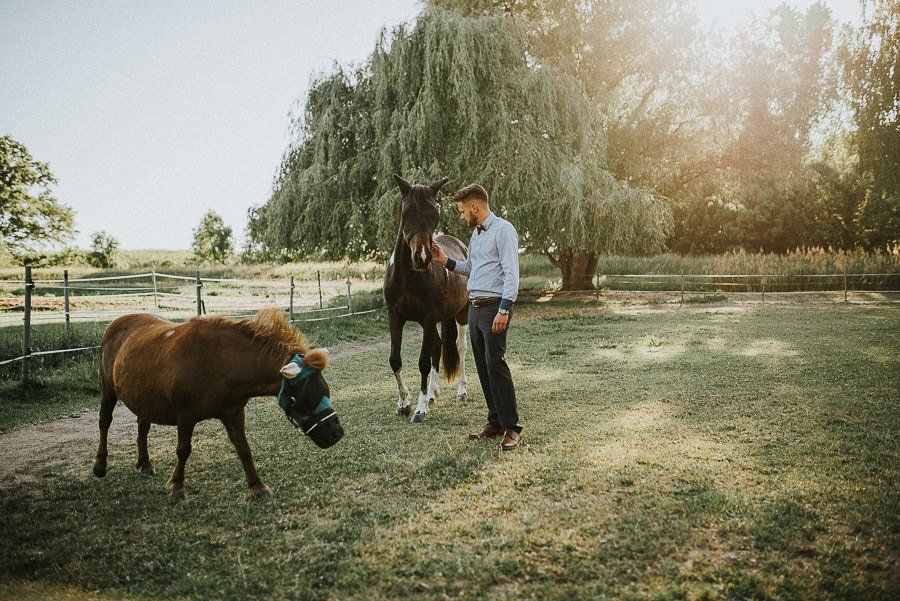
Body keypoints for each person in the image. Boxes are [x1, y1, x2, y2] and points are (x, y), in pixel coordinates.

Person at [431, 183, 523, 450]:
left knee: (496, 364)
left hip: (495, 307)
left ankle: (512, 427)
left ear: (474, 207)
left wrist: (504, 309)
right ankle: (495, 422)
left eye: (462, 211)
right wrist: (444, 261)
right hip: (475, 307)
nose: (461, 216)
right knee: (483, 366)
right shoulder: (477, 235)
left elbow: (511, 274)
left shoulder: (504, 230)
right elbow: (471, 267)